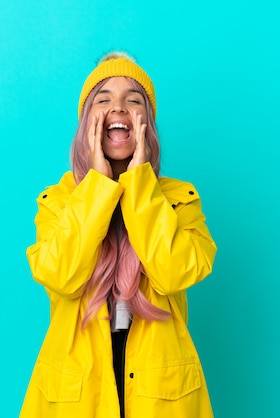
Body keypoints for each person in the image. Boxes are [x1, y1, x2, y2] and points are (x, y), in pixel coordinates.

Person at [19, 51, 217, 418]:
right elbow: (61, 275)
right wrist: (97, 187)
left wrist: (140, 184)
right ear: (86, 122)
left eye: (133, 99)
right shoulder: (57, 202)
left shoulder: (179, 200)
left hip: (162, 398)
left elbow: (174, 272)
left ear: (148, 122)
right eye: (104, 99)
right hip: (77, 398)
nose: (119, 108)